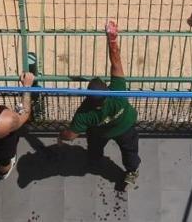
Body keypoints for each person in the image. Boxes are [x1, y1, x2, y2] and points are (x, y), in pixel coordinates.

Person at [57, 20, 140, 187]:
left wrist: (61, 135)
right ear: (106, 90)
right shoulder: (117, 91)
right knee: (130, 151)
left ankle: (95, 161)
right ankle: (131, 171)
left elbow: (72, 136)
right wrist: (112, 39)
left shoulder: (84, 114)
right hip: (126, 125)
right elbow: (116, 61)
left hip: (100, 132)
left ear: (88, 97)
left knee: (94, 146)